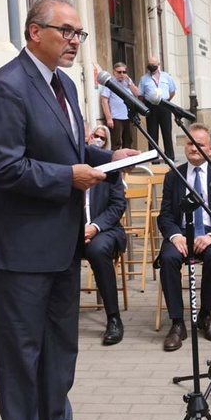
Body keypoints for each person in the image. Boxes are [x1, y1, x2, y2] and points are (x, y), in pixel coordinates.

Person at [0, 0, 139, 420]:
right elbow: (2, 167)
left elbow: (69, 148)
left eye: (78, 33)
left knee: (60, 349)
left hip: (63, 244)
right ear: (35, 33)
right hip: (19, 253)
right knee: (21, 358)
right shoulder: (6, 87)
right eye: (65, 31)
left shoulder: (63, 83)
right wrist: (69, 178)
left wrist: (109, 159)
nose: (75, 41)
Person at [156, 123, 211, 351]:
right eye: (190, 143)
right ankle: (177, 323)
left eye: (200, 144)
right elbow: (164, 215)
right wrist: (174, 236)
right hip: (182, 235)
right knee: (168, 258)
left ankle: (205, 315)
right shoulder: (174, 176)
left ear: (210, 149)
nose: (194, 148)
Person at [84, 127, 127, 345]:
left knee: (97, 249)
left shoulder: (110, 169)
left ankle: (113, 318)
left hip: (105, 230)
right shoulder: (68, 168)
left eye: (101, 138)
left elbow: (118, 205)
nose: (96, 141)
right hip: (71, 230)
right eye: (93, 137)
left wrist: (94, 227)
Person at [138, 56, 178, 161]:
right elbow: (140, 95)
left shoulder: (166, 77)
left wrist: (166, 101)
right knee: (152, 133)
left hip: (164, 105)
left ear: (158, 64)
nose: (151, 66)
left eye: (153, 64)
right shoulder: (144, 79)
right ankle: (153, 157)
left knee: (167, 132)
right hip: (151, 106)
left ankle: (169, 156)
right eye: (149, 64)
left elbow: (172, 91)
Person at [101, 62, 140, 150]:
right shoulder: (110, 83)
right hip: (116, 117)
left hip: (128, 117)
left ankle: (129, 163)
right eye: (119, 72)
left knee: (128, 141)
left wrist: (130, 83)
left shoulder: (128, 82)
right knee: (116, 142)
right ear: (114, 72)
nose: (122, 74)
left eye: (124, 72)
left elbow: (137, 93)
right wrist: (108, 118)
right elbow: (104, 101)